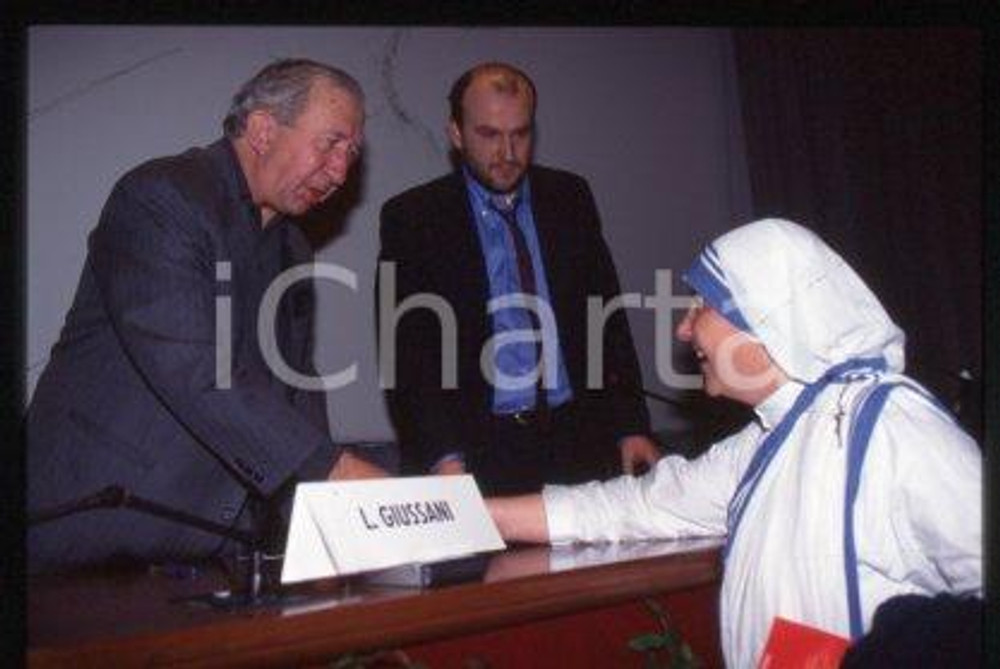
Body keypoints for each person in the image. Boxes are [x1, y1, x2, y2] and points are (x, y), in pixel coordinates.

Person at [488, 219, 982, 667]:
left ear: (765, 317)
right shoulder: (767, 441)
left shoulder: (893, 427)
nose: (684, 328)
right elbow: (634, 506)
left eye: (701, 306)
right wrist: (480, 516)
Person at [27, 59, 388, 573]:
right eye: (331, 143)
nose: (340, 172)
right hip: (91, 527)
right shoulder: (161, 198)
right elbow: (197, 374)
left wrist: (326, 517)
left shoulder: (294, 248)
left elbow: (297, 391)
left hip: (210, 547)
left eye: (351, 154)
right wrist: (334, 474)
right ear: (263, 129)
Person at [377, 62, 661, 496]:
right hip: (474, 451)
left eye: (521, 134)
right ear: (456, 133)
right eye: (489, 134)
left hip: (577, 439)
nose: (507, 153)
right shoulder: (414, 218)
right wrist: (443, 458)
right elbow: (407, 355)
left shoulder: (569, 197)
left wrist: (631, 428)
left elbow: (607, 320)